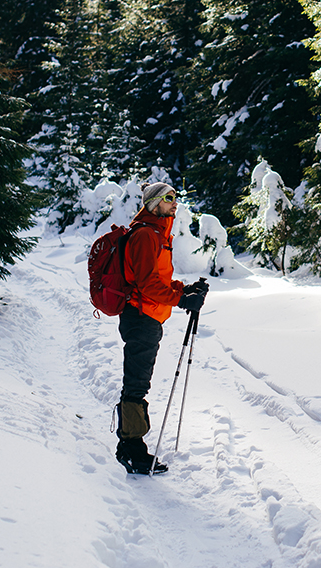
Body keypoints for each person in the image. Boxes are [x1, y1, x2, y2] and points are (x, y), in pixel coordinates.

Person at [115, 181, 208, 474]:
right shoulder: (145, 234)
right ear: (155, 203)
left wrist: (185, 288)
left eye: (175, 197)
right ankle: (131, 449)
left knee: (138, 382)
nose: (174, 203)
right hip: (140, 317)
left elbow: (159, 279)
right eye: (169, 198)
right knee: (137, 384)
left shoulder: (157, 234)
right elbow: (146, 284)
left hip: (149, 317)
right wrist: (181, 299)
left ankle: (132, 445)